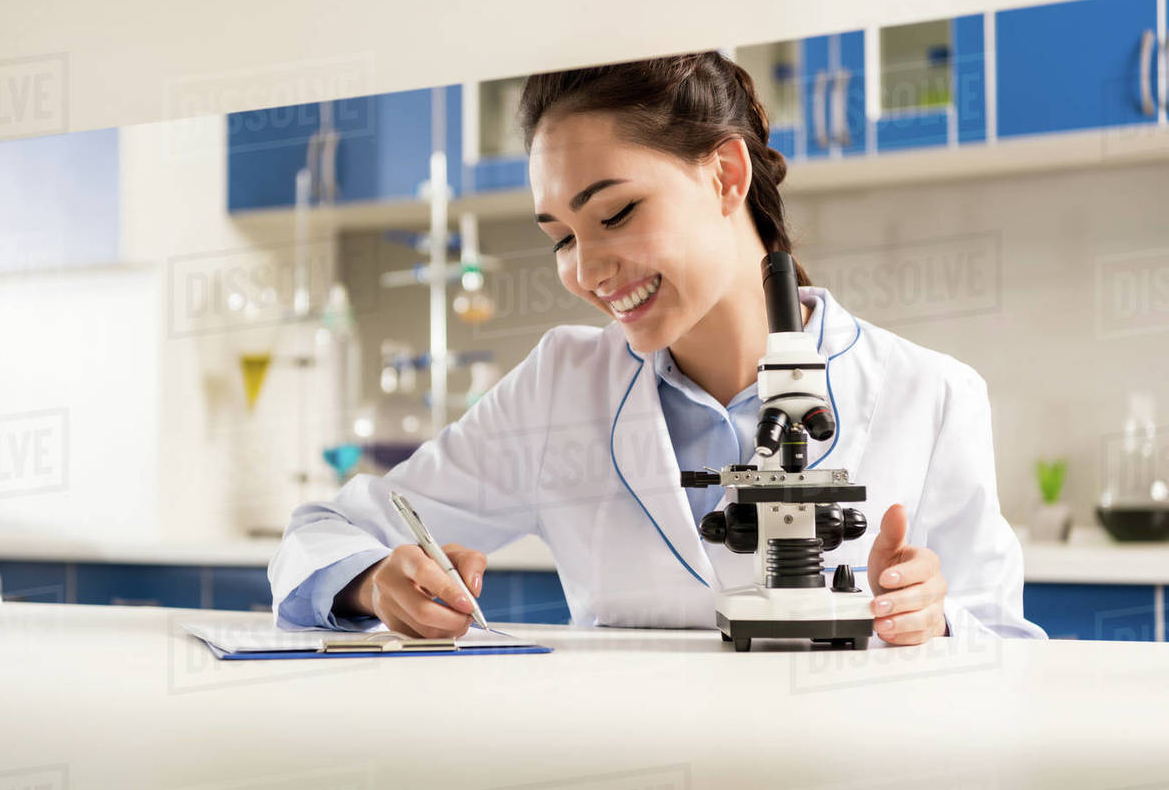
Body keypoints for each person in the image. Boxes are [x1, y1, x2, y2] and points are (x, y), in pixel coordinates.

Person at [268, 51, 1046, 645]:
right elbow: (319, 532)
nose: (586, 270)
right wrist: (374, 582)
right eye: (561, 239)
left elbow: (1013, 651)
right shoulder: (561, 389)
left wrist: (937, 620)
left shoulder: (930, 393)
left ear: (726, 175)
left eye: (616, 212)